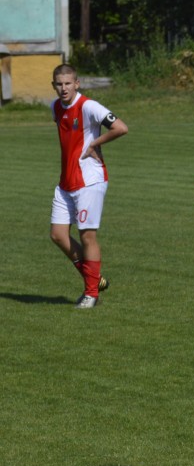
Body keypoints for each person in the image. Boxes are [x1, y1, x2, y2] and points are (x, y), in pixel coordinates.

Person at [49, 64, 128, 309]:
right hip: (66, 181)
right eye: (59, 84)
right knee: (58, 235)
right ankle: (95, 279)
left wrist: (94, 144)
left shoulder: (88, 106)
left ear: (77, 83)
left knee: (87, 235)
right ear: (54, 85)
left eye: (68, 83)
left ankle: (91, 294)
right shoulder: (55, 107)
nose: (64, 88)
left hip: (89, 181)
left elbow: (121, 127)